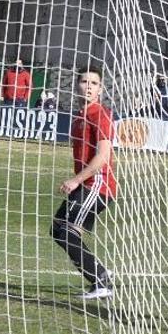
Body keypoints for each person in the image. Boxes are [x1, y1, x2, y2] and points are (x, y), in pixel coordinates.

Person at [51, 68, 116, 300]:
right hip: (86, 184)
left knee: (67, 233)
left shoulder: (101, 114)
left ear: (101, 88)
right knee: (57, 230)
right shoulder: (80, 115)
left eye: (94, 83)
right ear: (77, 85)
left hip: (97, 184)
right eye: (84, 81)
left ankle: (101, 281)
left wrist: (77, 180)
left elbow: (103, 156)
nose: (88, 86)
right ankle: (100, 271)